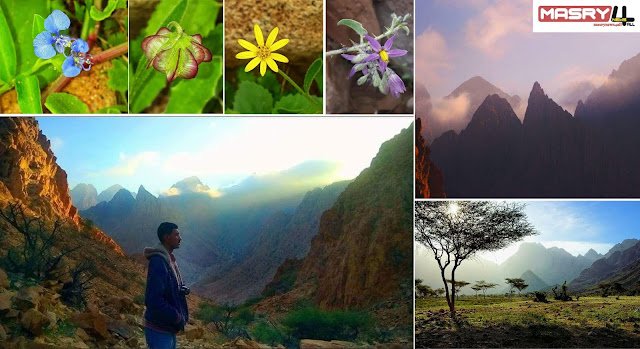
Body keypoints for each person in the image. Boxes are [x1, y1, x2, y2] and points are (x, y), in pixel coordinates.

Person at [143, 222, 189, 349]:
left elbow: (167, 289)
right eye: (177, 234)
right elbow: (153, 300)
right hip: (159, 330)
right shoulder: (159, 262)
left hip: (167, 328)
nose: (180, 238)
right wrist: (177, 317)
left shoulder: (168, 259)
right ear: (166, 237)